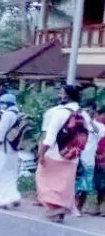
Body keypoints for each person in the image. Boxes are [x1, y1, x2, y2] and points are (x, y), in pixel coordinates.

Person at [37, 84, 87, 223]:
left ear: (67, 96)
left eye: (61, 93)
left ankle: (54, 209)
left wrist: (41, 154)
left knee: (44, 180)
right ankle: (61, 210)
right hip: (73, 157)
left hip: (54, 154)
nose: (59, 95)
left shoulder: (59, 112)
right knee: (64, 185)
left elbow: (50, 138)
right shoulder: (83, 114)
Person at [0, 94, 22, 209]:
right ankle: (14, 197)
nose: (1, 105)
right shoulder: (18, 114)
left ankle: (3, 201)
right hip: (14, 150)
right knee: (11, 175)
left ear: (7, 103)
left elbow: (0, 136)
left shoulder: (8, 115)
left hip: (3, 150)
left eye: (2, 102)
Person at [76, 102, 102, 215]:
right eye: (85, 110)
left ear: (95, 112)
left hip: (88, 161)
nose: (87, 112)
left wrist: (89, 121)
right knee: (72, 184)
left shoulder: (99, 126)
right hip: (74, 158)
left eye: (89, 110)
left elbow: (98, 132)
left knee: (84, 187)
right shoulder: (77, 124)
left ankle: (78, 208)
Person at [89, 105, 105, 216]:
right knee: (99, 183)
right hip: (95, 155)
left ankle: (100, 207)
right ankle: (98, 207)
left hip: (101, 156)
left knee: (102, 183)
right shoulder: (96, 124)